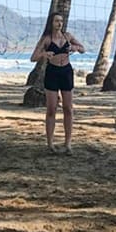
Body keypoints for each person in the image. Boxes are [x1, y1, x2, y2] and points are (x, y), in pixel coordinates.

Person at [31, 12, 85, 154]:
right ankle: (50, 144)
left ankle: (68, 144)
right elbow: (33, 57)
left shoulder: (68, 36)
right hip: (52, 72)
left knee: (68, 108)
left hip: (66, 72)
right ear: (51, 23)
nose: (59, 23)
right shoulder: (46, 39)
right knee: (51, 109)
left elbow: (83, 49)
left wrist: (76, 48)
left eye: (61, 21)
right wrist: (44, 54)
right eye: (56, 21)